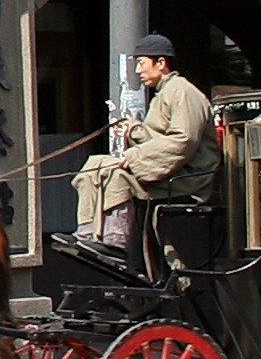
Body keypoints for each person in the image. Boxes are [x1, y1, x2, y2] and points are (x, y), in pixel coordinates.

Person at [74, 33, 212, 252]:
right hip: (173, 170)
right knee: (94, 164)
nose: (138, 71)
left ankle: (115, 241)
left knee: (117, 174)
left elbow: (183, 141)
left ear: (160, 63)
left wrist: (136, 156)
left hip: (189, 177)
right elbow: (160, 138)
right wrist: (135, 130)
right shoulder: (165, 92)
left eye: (141, 63)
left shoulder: (183, 92)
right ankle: (87, 232)